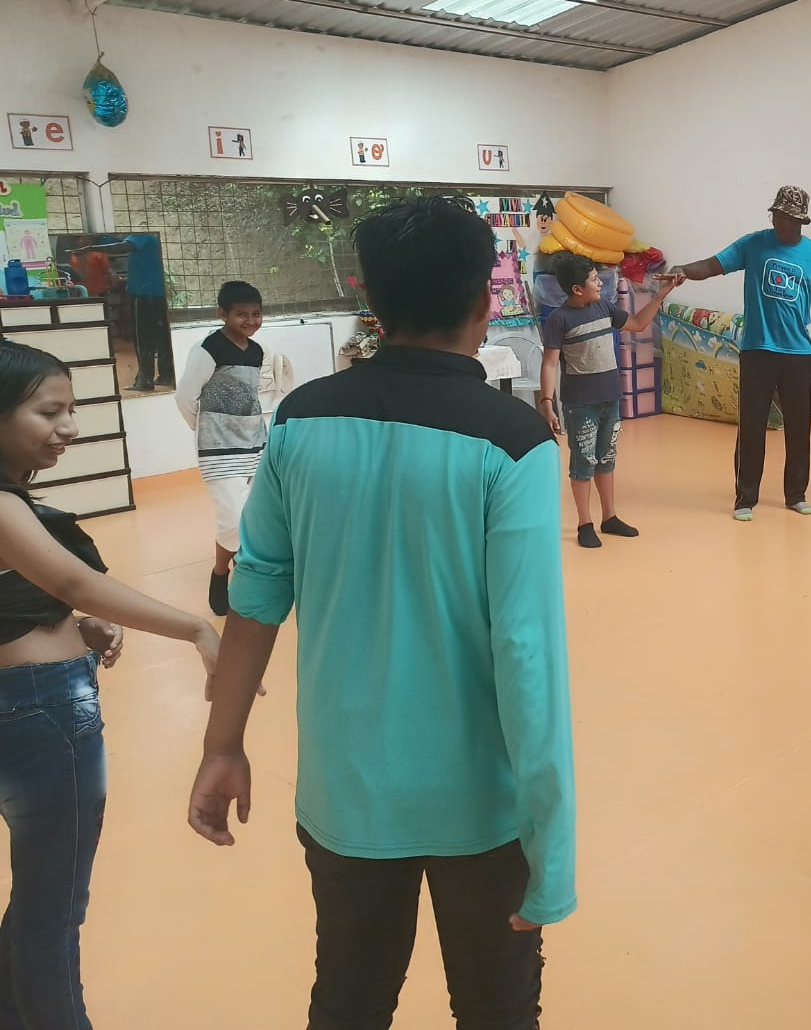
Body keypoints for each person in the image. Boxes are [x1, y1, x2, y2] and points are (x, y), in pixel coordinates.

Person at [187, 197, 577, 1027]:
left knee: (348, 999)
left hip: (346, 796)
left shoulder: (301, 422)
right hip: (482, 810)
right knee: (498, 1010)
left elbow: (255, 597)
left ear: (369, 298)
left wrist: (222, 745)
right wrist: (553, 840)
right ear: (484, 301)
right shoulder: (513, 442)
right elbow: (526, 653)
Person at [0, 342, 218, 1029]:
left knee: (37, 903)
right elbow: (72, 579)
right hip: (42, 711)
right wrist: (195, 627)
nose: (68, 428)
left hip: (27, 706)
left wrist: (71, 622)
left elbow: (40, 592)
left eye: (71, 410)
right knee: (52, 914)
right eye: (48, 412)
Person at [663, 186, 811, 521]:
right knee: (752, 427)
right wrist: (683, 270)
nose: (779, 222)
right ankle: (745, 498)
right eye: (776, 215)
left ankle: (796, 495)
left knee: (799, 428)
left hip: (798, 354)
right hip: (757, 351)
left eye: (787, 218)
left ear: (801, 221)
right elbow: (712, 265)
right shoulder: (753, 245)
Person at [538, 254, 681, 547]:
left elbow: (638, 323)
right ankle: (584, 523)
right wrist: (547, 403)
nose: (600, 284)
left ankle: (609, 517)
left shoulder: (604, 307)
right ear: (577, 289)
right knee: (583, 463)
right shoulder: (559, 319)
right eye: (594, 280)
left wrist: (660, 295)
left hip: (610, 400)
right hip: (580, 405)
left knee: (606, 459)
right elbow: (550, 364)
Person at [175, 281, 278, 616]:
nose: (250, 321)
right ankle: (222, 574)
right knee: (232, 518)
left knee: (253, 516)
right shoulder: (209, 349)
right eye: (241, 315)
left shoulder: (257, 351)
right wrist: (206, 430)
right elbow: (185, 397)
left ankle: (240, 575)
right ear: (223, 314)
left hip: (254, 443)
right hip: (218, 450)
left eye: (256, 314)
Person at [93, 234, 173, 391]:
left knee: (143, 339)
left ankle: (145, 380)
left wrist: (91, 248)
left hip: (144, 294)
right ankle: (166, 375)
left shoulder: (139, 235)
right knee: (162, 338)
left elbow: (123, 247)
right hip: (159, 293)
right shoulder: (152, 237)